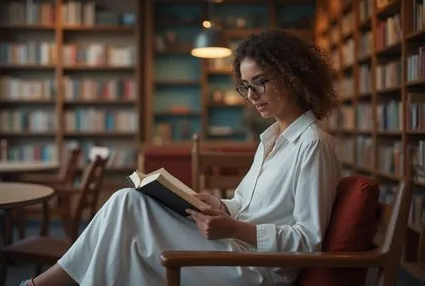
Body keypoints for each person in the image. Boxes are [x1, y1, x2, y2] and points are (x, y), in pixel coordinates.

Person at [19, 29, 341, 286]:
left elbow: (307, 243)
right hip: (239, 249)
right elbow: (248, 204)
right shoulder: (271, 140)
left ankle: (40, 285)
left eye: (260, 82)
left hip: (262, 268)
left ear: (292, 76)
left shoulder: (312, 144)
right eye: (245, 86)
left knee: (128, 208)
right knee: (129, 207)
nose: (252, 96)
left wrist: (233, 229)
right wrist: (219, 205)